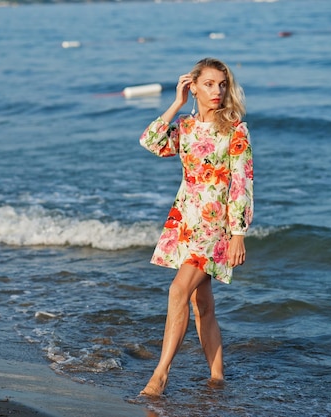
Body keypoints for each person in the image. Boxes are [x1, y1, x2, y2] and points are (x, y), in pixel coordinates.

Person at [138, 58, 253, 397]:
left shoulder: (235, 130)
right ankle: (217, 378)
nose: (217, 91)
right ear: (194, 87)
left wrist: (238, 234)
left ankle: (160, 375)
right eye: (208, 84)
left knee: (178, 291)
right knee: (202, 305)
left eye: (221, 84)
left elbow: (241, 185)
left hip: (215, 227)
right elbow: (152, 142)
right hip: (186, 223)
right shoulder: (186, 128)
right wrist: (176, 104)